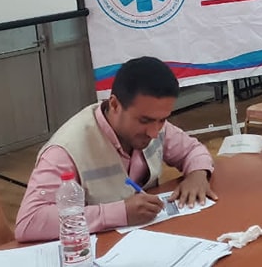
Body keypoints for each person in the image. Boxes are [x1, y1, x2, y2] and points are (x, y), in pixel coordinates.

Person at [15, 56, 216, 242]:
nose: (155, 132)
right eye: (144, 121)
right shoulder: (65, 149)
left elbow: (193, 150)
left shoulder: (154, 123)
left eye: (162, 120)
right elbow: (29, 221)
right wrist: (118, 213)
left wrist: (197, 175)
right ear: (114, 105)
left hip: (148, 238)